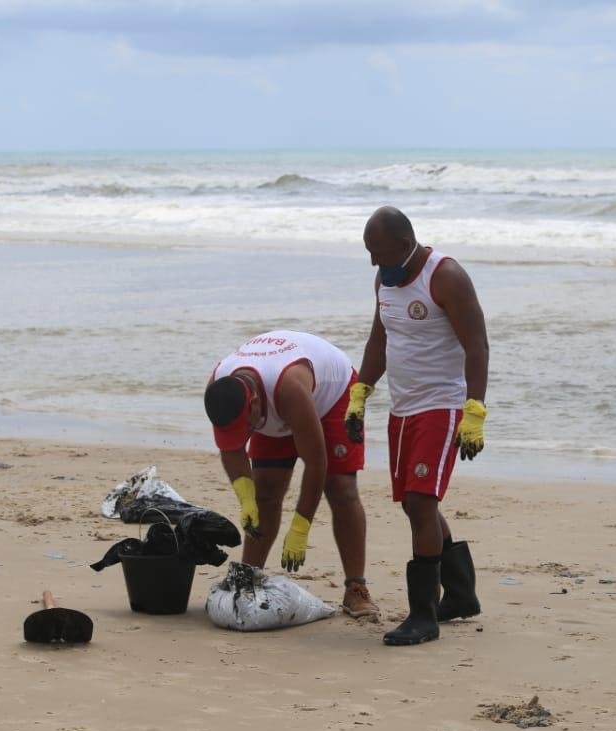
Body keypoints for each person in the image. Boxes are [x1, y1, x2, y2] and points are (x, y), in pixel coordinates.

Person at [346, 206, 489, 646]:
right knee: (411, 505)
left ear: (405, 246)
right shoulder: (384, 281)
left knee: (420, 502)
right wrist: (360, 393)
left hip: (441, 407)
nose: (373, 262)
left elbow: (477, 345)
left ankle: (423, 615)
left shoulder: (445, 277)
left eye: (379, 252)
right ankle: (461, 595)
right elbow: (380, 339)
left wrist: (474, 411)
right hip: (402, 409)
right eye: (368, 252)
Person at [204, 330, 379, 620]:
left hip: (332, 395)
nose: (245, 433)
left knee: (340, 488)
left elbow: (317, 463)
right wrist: (245, 497)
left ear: (255, 402)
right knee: (265, 493)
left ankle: (356, 588)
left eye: (246, 425)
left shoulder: (289, 388)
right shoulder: (220, 386)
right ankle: (248, 577)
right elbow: (231, 448)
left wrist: (300, 527)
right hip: (277, 404)